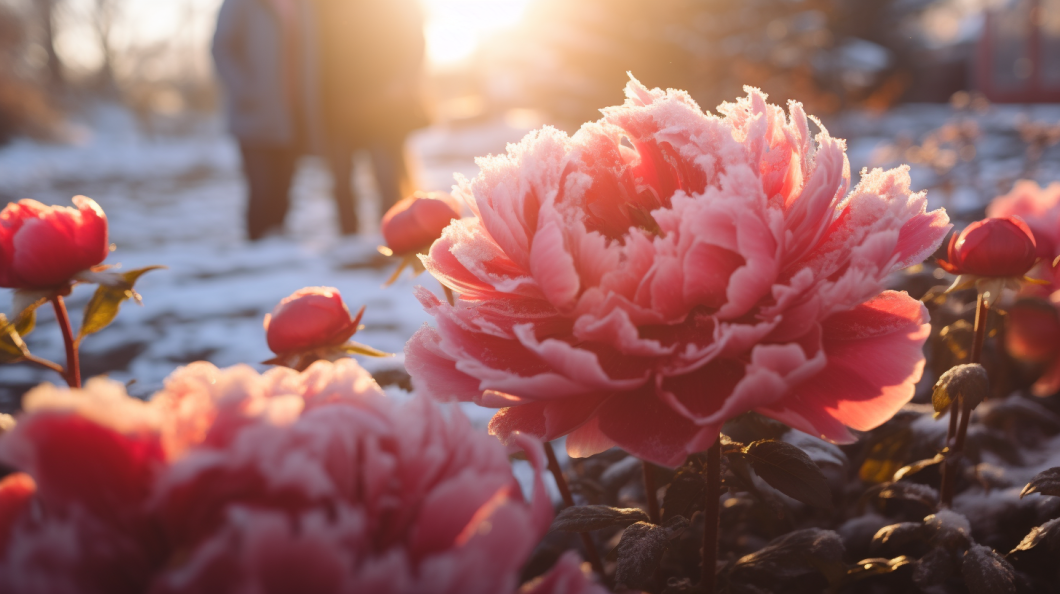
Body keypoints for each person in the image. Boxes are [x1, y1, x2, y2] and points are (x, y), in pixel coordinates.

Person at [314, 0, 429, 235]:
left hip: (382, 107)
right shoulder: (318, 6)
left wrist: (401, 81)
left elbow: (414, 39)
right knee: (341, 177)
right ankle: (348, 236)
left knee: (387, 176)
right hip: (336, 106)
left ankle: (395, 234)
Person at [212, 0, 322, 240]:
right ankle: (257, 247)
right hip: (255, 113)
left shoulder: (305, 5)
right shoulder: (240, 4)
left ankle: (277, 246)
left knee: (285, 187)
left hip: (294, 113)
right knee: (262, 189)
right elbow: (222, 48)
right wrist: (247, 89)